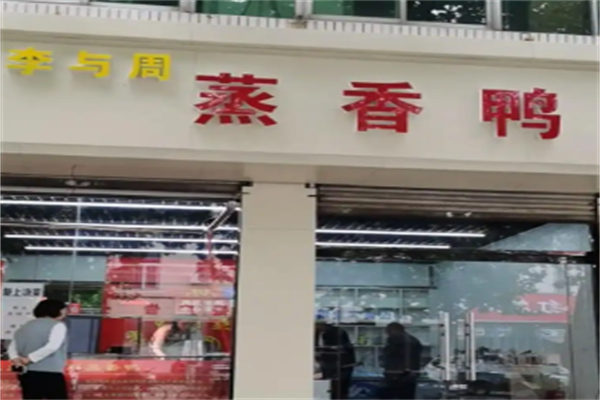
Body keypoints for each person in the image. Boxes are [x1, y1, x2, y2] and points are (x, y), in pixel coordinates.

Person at [8, 299, 69, 400]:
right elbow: (52, 346)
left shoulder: (25, 326)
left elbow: (12, 346)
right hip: (51, 372)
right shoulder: (58, 325)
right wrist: (30, 358)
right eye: (64, 309)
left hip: (27, 372)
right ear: (58, 311)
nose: (66, 312)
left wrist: (16, 359)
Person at [315, 318, 356, 400]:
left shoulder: (332, 333)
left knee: (336, 389)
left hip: (338, 366)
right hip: (339, 365)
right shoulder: (326, 332)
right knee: (338, 390)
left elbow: (331, 350)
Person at [381, 322, 423, 400]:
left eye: (388, 331)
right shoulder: (413, 340)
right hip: (409, 376)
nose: (387, 334)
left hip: (396, 375)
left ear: (394, 330)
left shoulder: (396, 340)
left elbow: (389, 355)